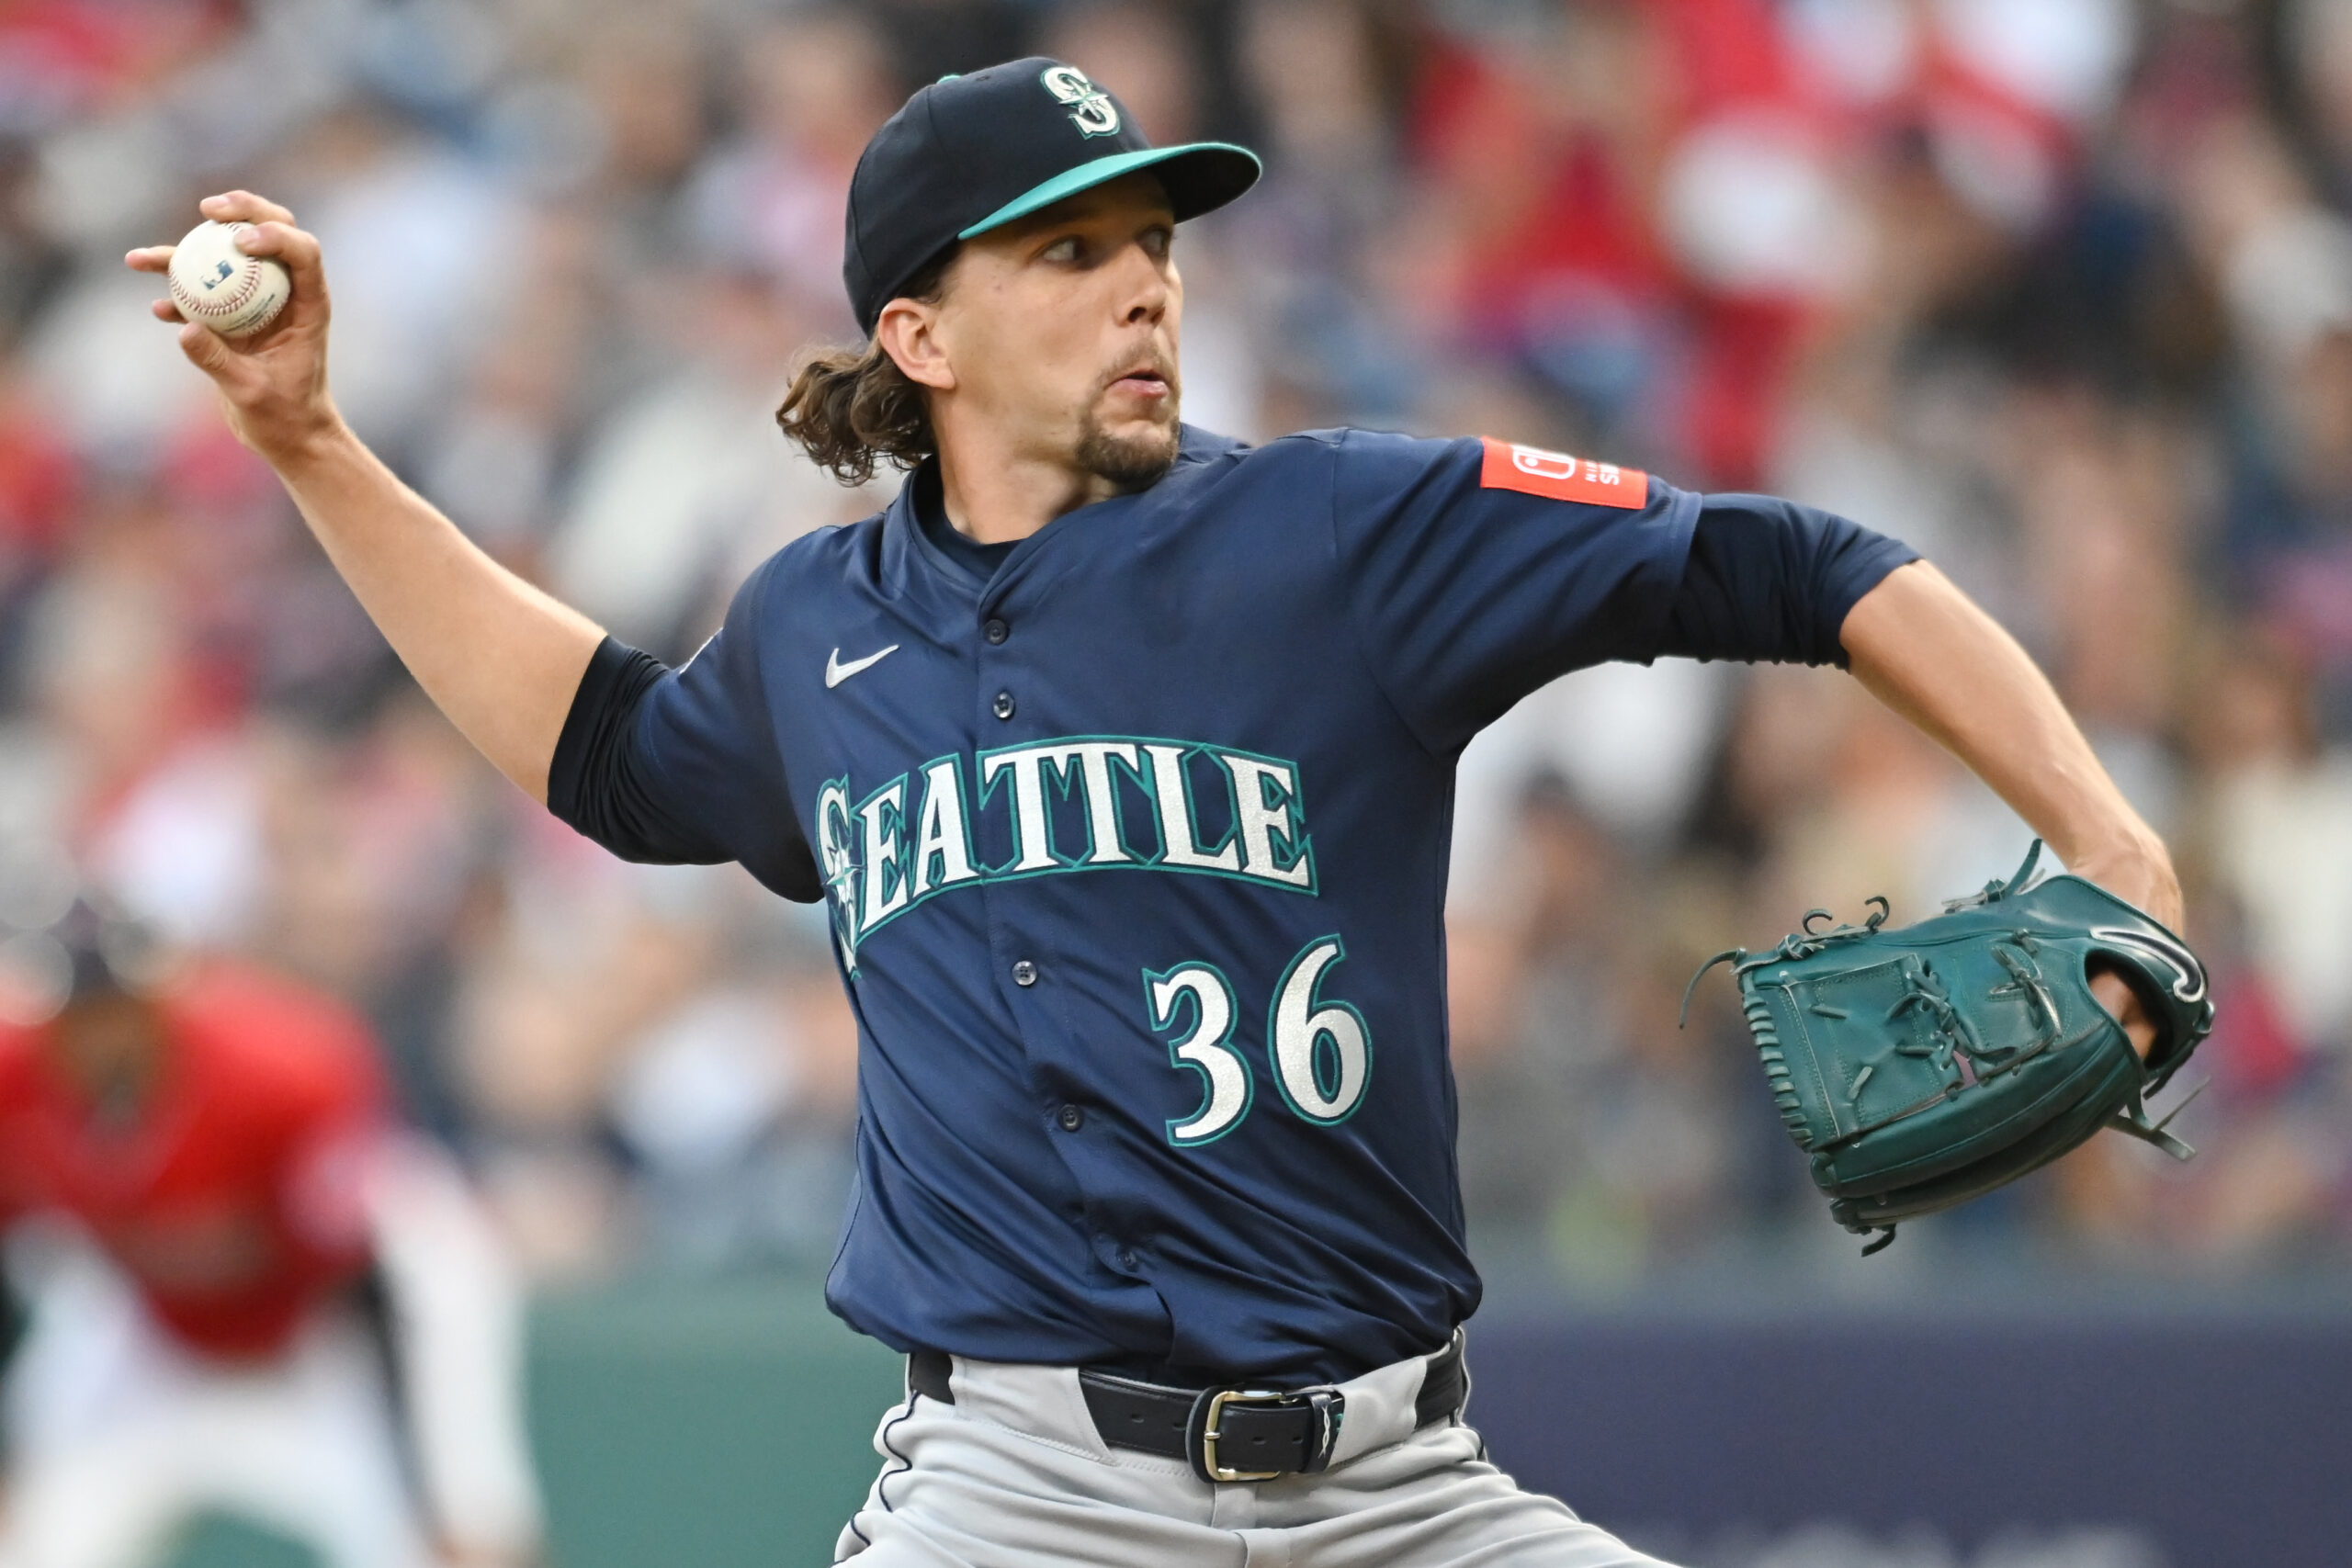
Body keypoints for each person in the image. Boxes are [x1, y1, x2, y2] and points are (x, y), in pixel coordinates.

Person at [126, 56, 2177, 1568]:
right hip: (1013, 1495)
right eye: (1070, 251)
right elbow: (603, 754)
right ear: (913, 334)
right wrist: (309, 442)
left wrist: (2106, 833)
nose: (1142, 290)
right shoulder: (813, 629)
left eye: (1152, 245)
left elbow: (1799, 559)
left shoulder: (1341, 531)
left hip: (1398, 1486)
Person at [0, 903, 541, 1568]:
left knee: (456, 1548)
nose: (100, 1036)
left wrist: (430, 1496)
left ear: (166, 998)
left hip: (332, 1333)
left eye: (119, 1008)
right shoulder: (15, 1080)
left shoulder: (286, 1070)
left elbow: (374, 1281)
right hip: (150, 1330)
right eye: (78, 1016)